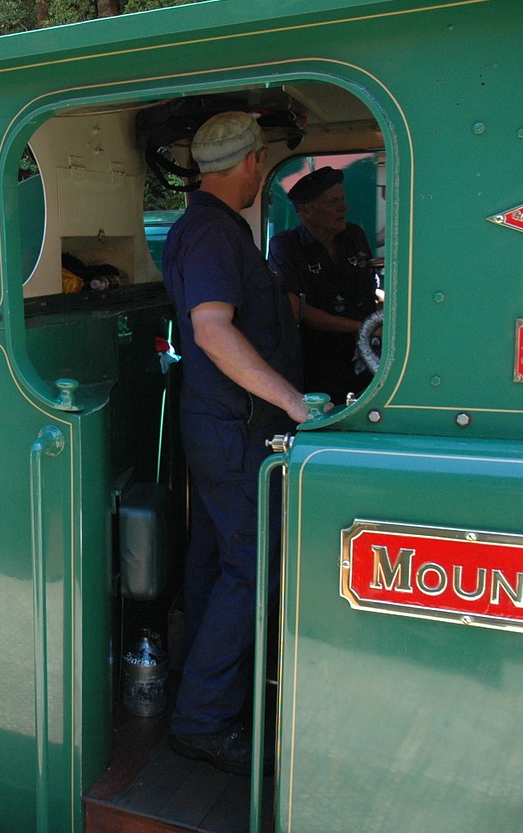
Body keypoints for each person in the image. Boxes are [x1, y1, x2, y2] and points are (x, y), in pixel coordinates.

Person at [161, 111, 314, 775]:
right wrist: (291, 400)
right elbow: (213, 330)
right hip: (233, 427)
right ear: (251, 163)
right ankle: (200, 720)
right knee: (253, 564)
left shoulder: (211, 229)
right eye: (262, 164)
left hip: (226, 423)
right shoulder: (213, 234)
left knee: (216, 558)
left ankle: (205, 690)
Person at [268, 166, 380, 404]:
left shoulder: (355, 235)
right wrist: (364, 328)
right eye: (333, 202)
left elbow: (372, 288)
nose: (344, 207)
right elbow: (297, 310)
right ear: (305, 211)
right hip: (316, 365)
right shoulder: (286, 246)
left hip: (366, 359)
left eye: (343, 199)